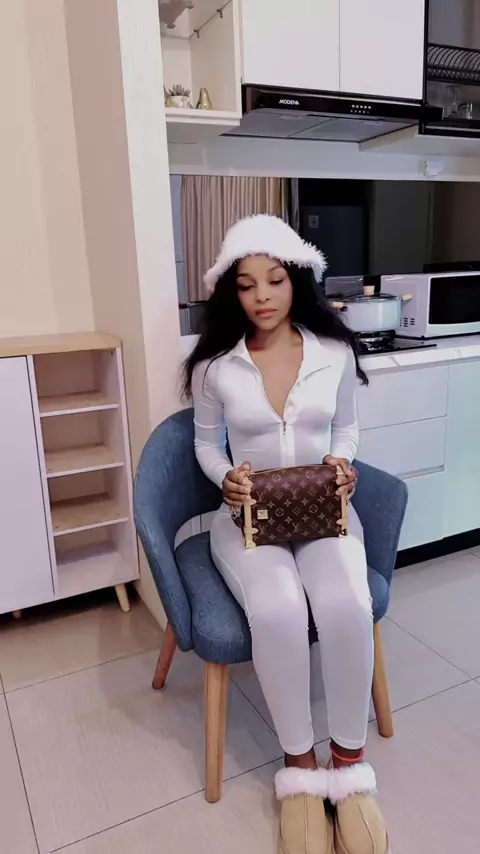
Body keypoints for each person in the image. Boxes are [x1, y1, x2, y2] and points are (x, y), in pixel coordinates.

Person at [184, 215, 389, 854]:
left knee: (346, 600)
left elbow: (347, 429)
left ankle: (349, 768)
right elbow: (204, 445)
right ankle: (300, 771)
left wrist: (341, 464)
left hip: (323, 513)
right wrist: (226, 478)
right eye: (247, 285)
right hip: (248, 521)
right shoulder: (216, 367)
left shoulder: (334, 353)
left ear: (297, 279)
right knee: (277, 607)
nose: (262, 296)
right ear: (232, 293)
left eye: (274, 280)